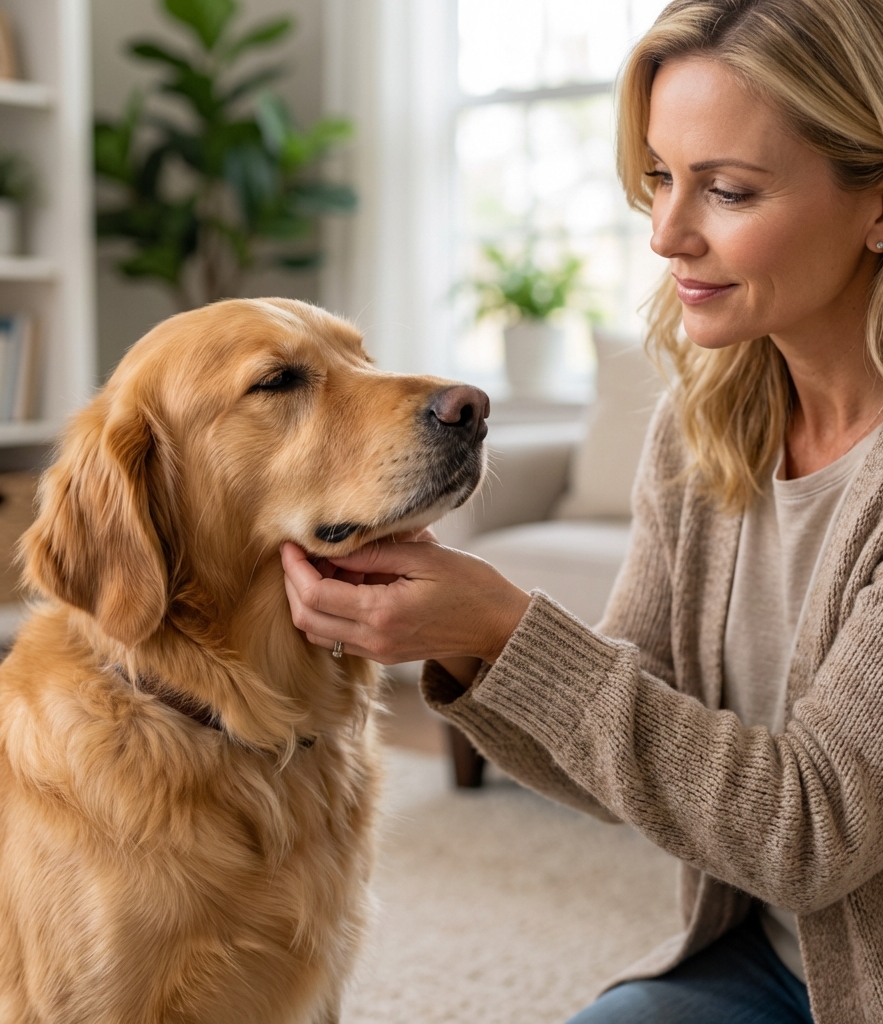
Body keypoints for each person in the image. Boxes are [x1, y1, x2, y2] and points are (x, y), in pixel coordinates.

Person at [280, 1, 883, 1021]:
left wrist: (499, 623)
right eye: (658, 176)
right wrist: (473, 638)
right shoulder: (700, 429)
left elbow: (810, 829)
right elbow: (623, 750)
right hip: (764, 963)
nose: (664, 233)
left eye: (727, 191)